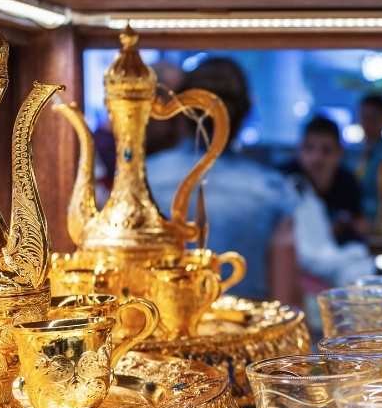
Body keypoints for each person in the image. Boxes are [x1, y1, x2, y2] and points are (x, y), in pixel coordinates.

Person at [145, 57, 300, 303]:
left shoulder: (146, 178)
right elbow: (284, 306)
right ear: (245, 113)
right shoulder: (272, 188)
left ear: (181, 108)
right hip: (249, 337)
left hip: (163, 334)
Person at [282, 115, 367, 244]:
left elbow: (361, 226)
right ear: (299, 150)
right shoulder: (283, 179)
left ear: (339, 153)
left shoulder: (348, 183)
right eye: (309, 148)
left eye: (326, 151)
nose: (316, 158)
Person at [349, 93, 382, 221]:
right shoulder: (352, 152)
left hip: (381, 219)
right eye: (364, 117)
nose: (367, 123)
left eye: (373, 118)